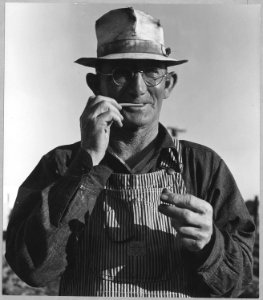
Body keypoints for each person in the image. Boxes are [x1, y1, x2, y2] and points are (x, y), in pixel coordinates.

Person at [5, 7, 255, 297]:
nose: (138, 89)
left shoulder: (204, 166)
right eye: (121, 74)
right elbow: (33, 270)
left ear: (168, 84)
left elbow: (240, 280)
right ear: (95, 84)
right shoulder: (61, 164)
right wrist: (86, 164)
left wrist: (211, 245)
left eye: (151, 73)